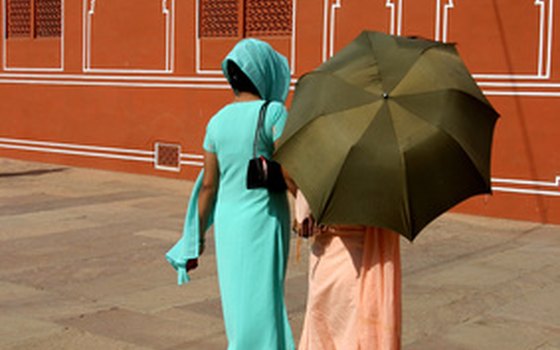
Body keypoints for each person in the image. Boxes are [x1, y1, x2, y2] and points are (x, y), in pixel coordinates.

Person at [191, 39, 295, 350]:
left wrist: (196, 238)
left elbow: (209, 185)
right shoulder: (274, 112)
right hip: (263, 217)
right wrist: (307, 207)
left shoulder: (216, 121)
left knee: (238, 302)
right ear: (265, 72)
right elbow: (289, 169)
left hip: (228, 222)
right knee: (264, 296)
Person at [294, 191, 402, 350]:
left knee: (321, 334)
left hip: (325, 262)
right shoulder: (381, 180)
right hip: (363, 264)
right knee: (352, 335)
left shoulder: (320, 171)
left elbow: (302, 222)